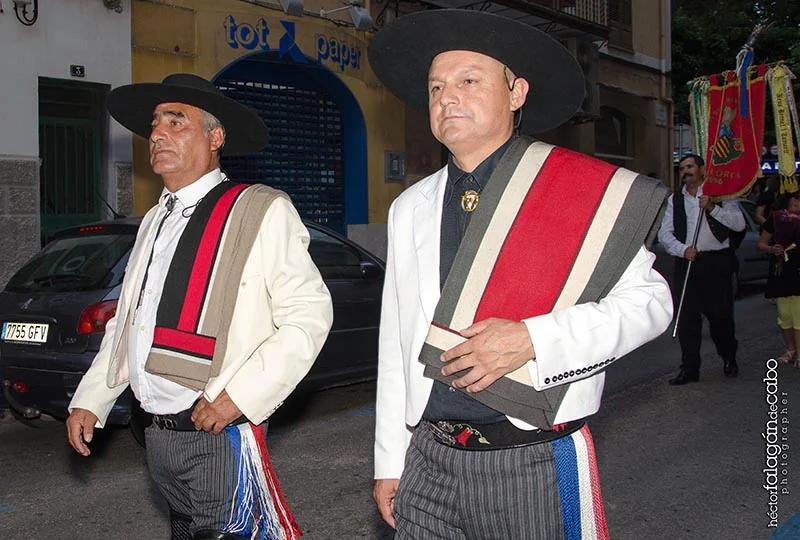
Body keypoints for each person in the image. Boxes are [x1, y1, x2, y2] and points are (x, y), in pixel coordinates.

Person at [369, 10, 673, 539]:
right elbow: (396, 343)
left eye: (469, 80)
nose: (447, 97)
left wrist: (535, 339)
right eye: (436, 86)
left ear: (516, 93)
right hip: (428, 459)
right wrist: (390, 459)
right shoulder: (411, 205)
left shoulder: (574, 190)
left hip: (533, 458)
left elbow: (652, 304)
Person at [65, 74, 333, 540]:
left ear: (215, 137)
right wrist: (93, 399)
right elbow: (128, 323)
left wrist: (240, 398)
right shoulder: (153, 219)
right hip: (156, 436)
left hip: (217, 435)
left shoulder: (259, 209)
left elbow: (308, 314)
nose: (158, 135)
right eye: (154, 125)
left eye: (177, 122)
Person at [658, 154, 745, 385]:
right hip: (688, 261)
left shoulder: (721, 194)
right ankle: (689, 369)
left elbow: (739, 224)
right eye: (682, 168)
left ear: (702, 169)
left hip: (716, 263)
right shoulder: (675, 199)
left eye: (690, 167)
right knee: (686, 319)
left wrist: (713, 208)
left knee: (720, 317)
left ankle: (728, 356)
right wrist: (682, 249)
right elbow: (664, 234)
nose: (685, 171)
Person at [757, 190, 800, 366]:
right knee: (784, 314)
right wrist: (771, 249)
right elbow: (761, 243)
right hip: (781, 270)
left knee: (798, 314)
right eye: (794, 202)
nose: (796, 205)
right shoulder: (776, 219)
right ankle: (791, 349)